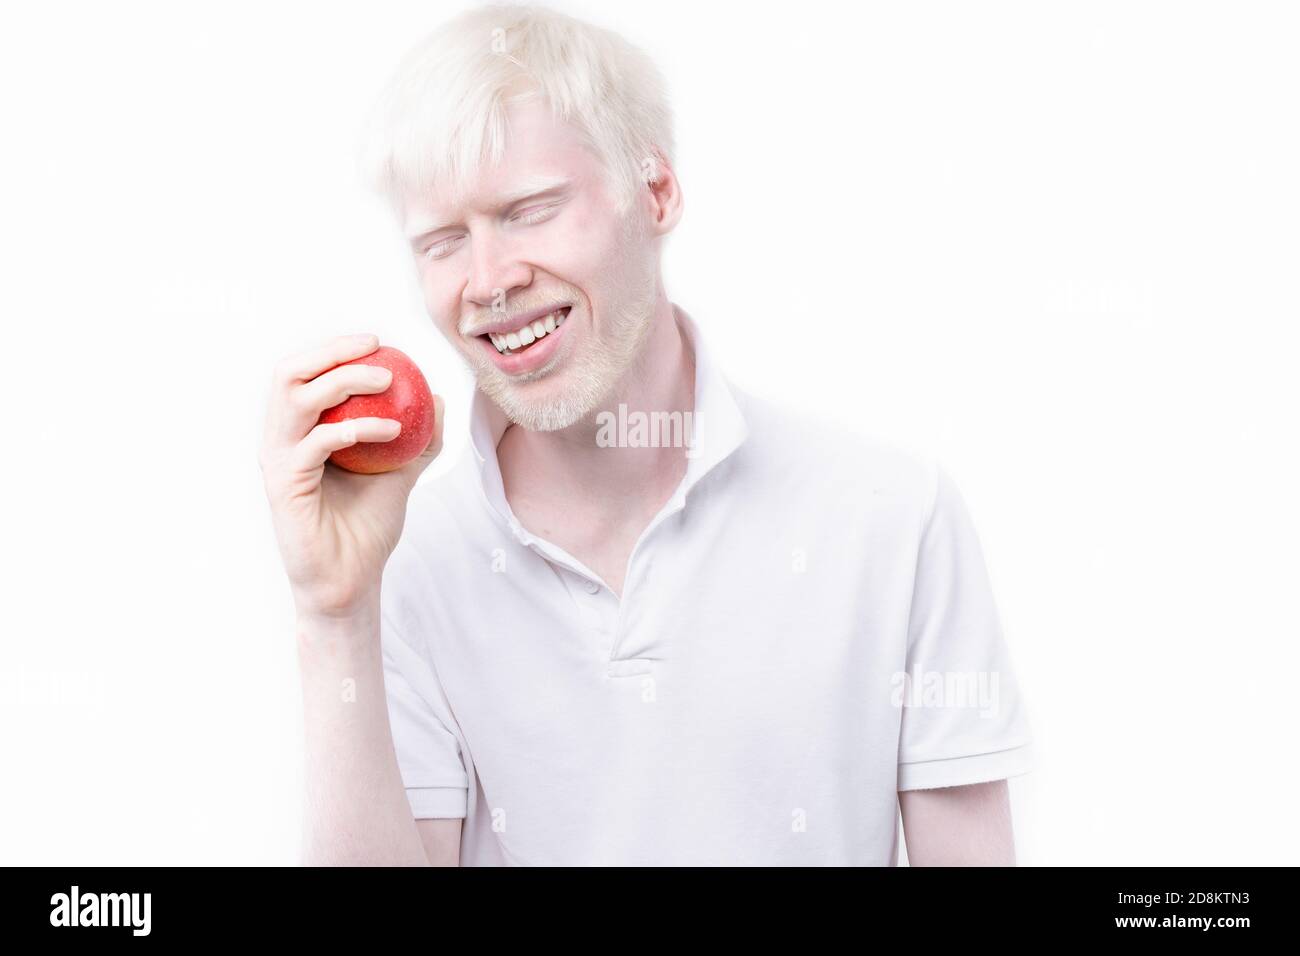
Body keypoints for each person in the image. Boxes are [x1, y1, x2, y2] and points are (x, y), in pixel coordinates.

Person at [259, 4, 1033, 866]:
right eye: (443, 241)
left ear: (656, 192)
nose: (487, 281)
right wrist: (334, 616)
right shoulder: (405, 561)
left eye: (528, 210)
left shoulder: (894, 516)